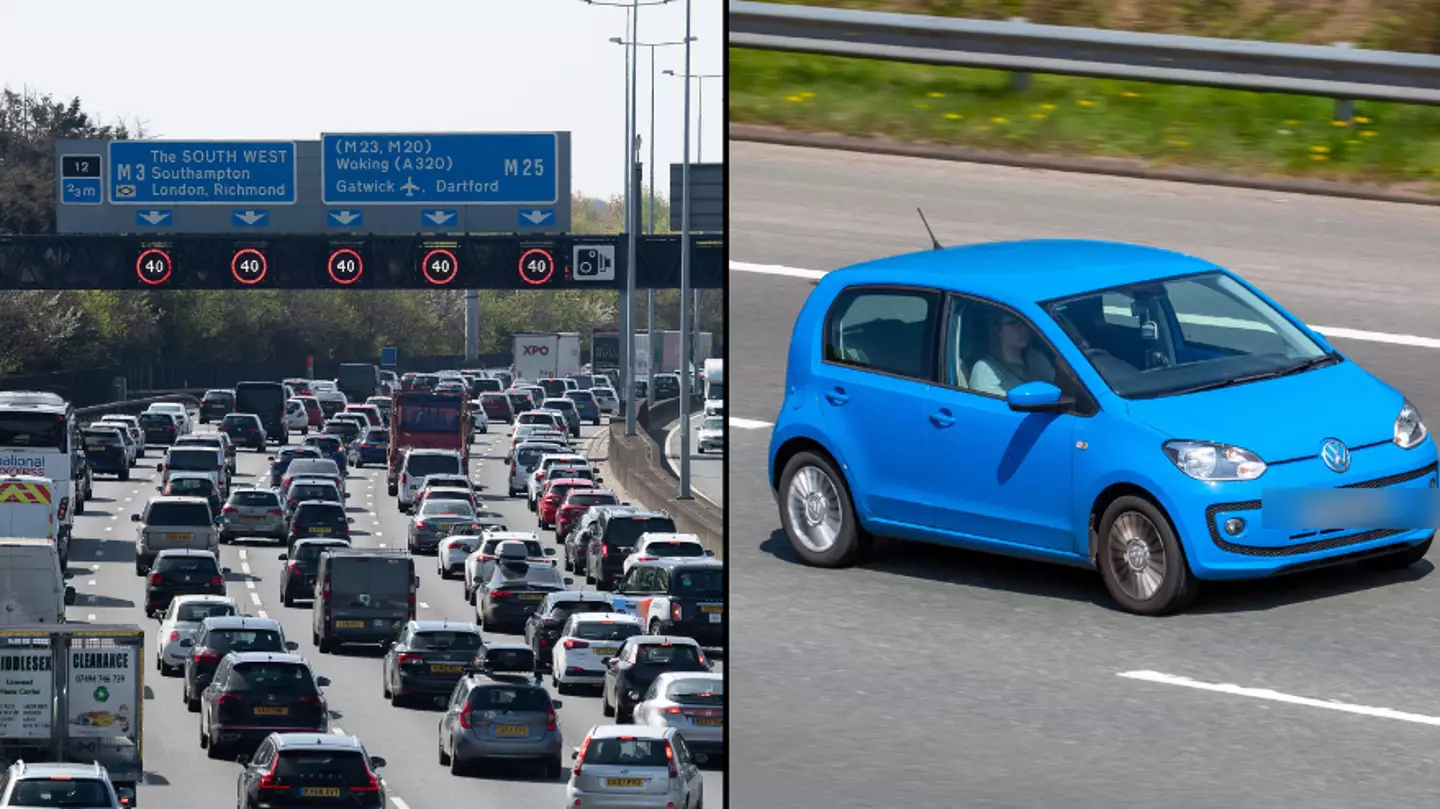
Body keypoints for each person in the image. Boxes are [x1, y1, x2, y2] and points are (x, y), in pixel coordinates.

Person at [969, 311, 1056, 396]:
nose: (1022, 328)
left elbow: (1058, 386)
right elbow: (996, 408)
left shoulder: (1038, 358)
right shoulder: (985, 369)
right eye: (1013, 323)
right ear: (998, 330)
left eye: (1024, 322)